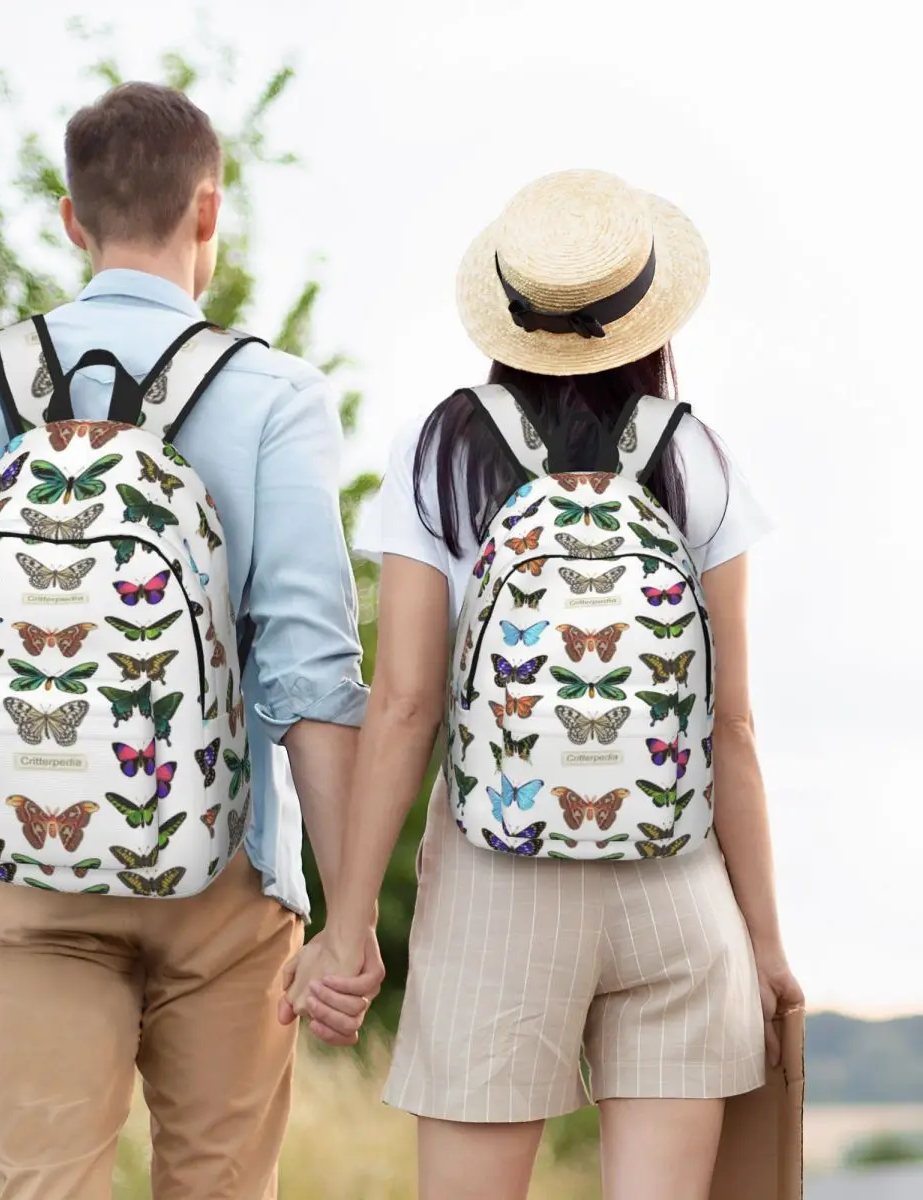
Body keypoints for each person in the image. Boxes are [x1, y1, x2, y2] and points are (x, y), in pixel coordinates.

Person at [0, 81, 384, 1200]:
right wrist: (350, 916)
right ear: (209, 213)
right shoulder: (273, 395)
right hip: (226, 880)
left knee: (48, 1186)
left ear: (72, 219)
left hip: (24, 878)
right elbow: (312, 679)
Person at [282, 169, 804, 1200]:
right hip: (678, 885)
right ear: (648, 315)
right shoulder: (697, 455)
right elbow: (731, 727)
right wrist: (766, 944)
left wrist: (346, 929)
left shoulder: (440, 449)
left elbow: (405, 707)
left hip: (496, 884)